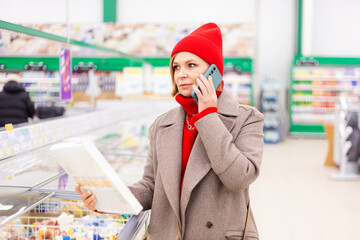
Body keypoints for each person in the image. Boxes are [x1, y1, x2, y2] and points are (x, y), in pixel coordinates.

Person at [76, 22, 264, 240]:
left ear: (214, 72)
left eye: (191, 65)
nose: (181, 74)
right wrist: (107, 197)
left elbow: (239, 178)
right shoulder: (162, 125)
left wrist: (208, 116)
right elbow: (150, 187)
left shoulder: (247, 118)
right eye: (176, 67)